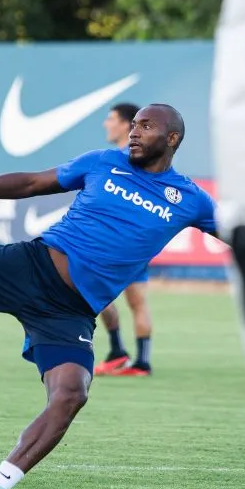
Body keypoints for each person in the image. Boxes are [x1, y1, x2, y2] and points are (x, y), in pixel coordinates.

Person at [0, 104, 218, 489]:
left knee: (70, 394)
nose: (134, 132)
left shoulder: (191, 199)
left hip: (71, 312)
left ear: (172, 139)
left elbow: (241, 238)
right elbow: (31, 182)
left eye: (146, 126)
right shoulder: (103, 162)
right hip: (33, 268)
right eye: (133, 125)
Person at [97, 102, 155, 376]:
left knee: (94, 293)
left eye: (110, 119)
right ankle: (139, 360)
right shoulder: (147, 157)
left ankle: (119, 351)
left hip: (115, 242)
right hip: (138, 241)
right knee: (136, 301)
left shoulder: (124, 159)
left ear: (125, 124)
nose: (106, 124)